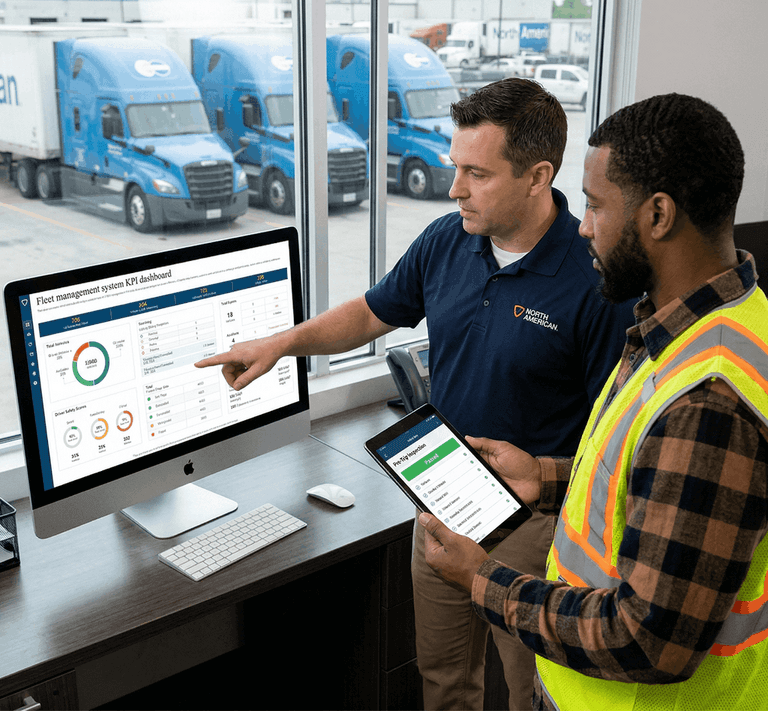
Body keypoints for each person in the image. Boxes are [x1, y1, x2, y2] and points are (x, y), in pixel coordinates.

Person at [195, 77, 635, 710]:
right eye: (455, 166)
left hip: (536, 526)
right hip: (441, 497)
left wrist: (547, 481)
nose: (454, 187)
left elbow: (612, 442)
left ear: (539, 177)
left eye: (476, 173)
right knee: (444, 682)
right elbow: (372, 314)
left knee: (530, 696)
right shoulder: (446, 239)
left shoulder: (593, 278)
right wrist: (280, 344)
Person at [420, 92, 768, 711]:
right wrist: (546, 476)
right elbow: (645, 479)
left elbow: (647, 639)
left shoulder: (708, 402)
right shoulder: (709, 324)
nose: (581, 226)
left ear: (657, 215)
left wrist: (482, 580)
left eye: (595, 204)